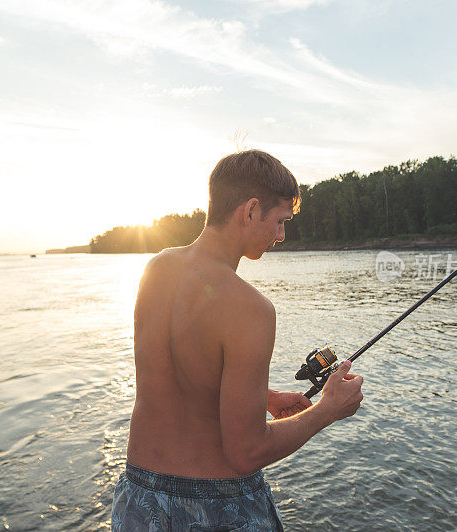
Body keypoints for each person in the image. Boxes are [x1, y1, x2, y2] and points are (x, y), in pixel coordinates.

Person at [112, 150, 364, 531]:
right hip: (215, 506)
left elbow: (182, 368)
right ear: (249, 211)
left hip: (138, 495)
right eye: (280, 221)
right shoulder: (251, 309)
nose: (282, 235)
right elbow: (247, 452)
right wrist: (327, 408)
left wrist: (266, 398)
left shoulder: (156, 269)